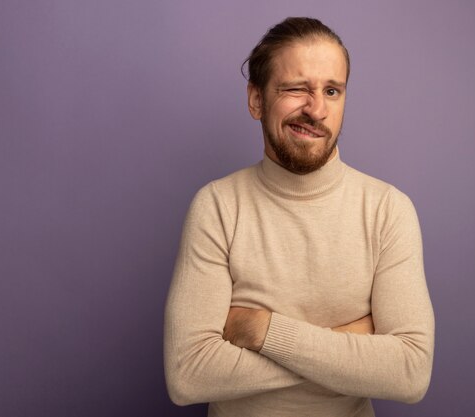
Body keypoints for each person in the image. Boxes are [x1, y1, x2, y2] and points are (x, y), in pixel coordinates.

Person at [164, 17, 434, 417]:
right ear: (256, 100)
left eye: (332, 90)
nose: (317, 109)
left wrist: (262, 330)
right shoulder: (218, 206)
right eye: (296, 89)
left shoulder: (388, 210)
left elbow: (410, 373)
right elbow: (188, 375)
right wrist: (346, 343)